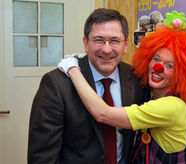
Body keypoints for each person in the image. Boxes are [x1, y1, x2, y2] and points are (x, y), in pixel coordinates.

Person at [58, 24, 186, 163]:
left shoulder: (171, 106)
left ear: (182, 74)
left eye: (169, 65)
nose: (158, 67)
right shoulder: (152, 93)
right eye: (156, 59)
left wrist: (73, 69)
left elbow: (102, 114)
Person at [28, 8, 150, 164]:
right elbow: (42, 157)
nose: (106, 49)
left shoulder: (137, 78)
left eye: (114, 41)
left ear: (125, 44)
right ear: (86, 43)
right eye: (98, 40)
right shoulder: (56, 84)